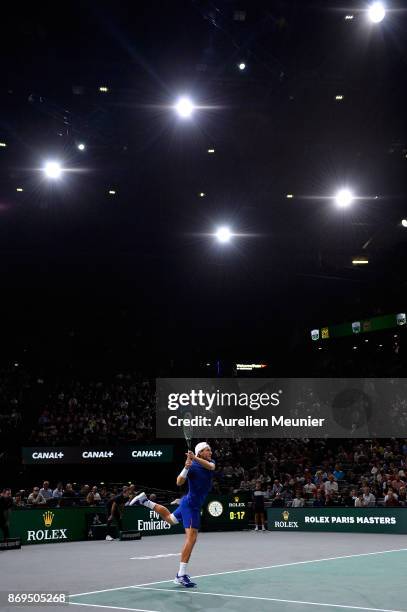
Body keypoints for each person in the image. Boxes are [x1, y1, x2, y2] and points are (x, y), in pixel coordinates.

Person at [130, 442, 215, 588]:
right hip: (191, 505)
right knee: (192, 538)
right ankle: (181, 575)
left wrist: (194, 458)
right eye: (207, 450)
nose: (211, 452)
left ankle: (145, 501)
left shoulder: (209, 462)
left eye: (210, 450)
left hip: (187, 502)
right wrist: (187, 467)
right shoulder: (193, 466)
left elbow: (211, 467)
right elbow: (179, 481)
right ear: (200, 452)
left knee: (170, 520)